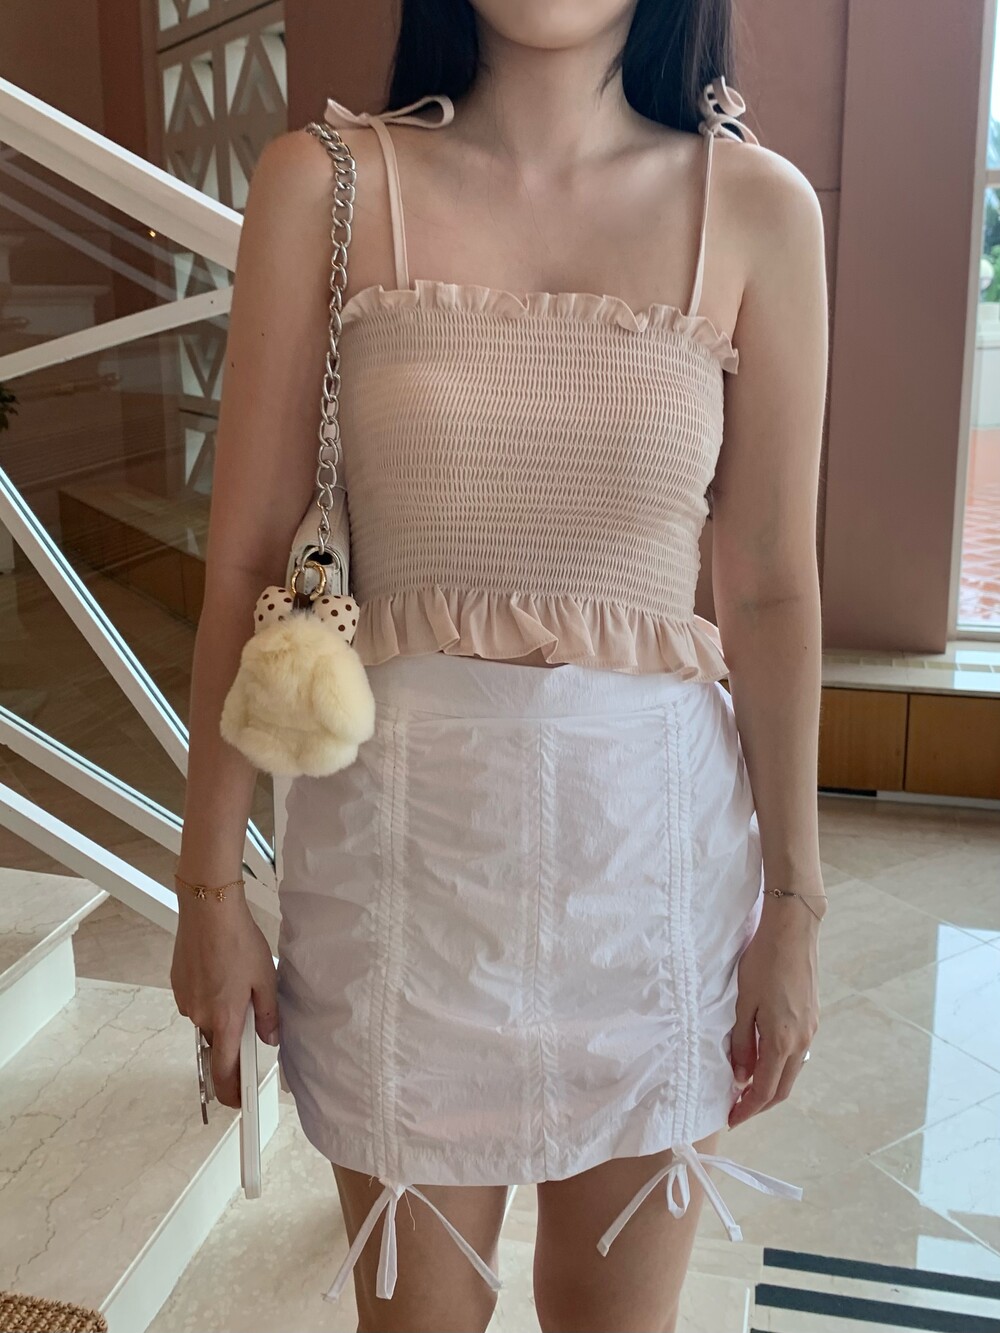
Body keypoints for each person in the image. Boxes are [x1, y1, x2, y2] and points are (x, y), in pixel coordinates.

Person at [170, 1, 829, 1329]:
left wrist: (797, 907)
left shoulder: (758, 208)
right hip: (397, 878)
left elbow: (769, 587)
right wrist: (208, 882)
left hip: (654, 881)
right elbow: (246, 560)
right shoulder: (325, 186)